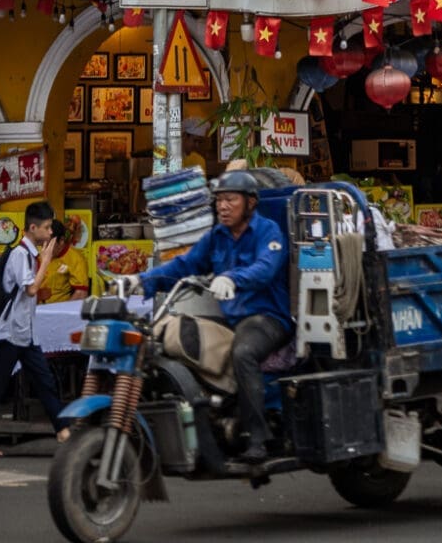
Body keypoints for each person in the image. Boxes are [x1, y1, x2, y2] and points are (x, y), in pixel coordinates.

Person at [130, 169, 292, 465]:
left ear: (250, 203)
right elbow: (184, 264)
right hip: (231, 320)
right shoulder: (217, 236)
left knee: (243, 353)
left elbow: (265, 268)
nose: (223, 206)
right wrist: (141, 280)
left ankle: (258, 437)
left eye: (231, 199)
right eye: (219, 200)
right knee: (174, 341)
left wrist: (232, 278)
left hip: (267, 318)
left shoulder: (268, 231)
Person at [0, 199, 70, 456]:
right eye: (47, 228)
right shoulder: (19, 255)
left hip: (26, 332)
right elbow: (31, 288)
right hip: (12, 333)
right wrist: (46, 260)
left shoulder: (28, 255)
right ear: (33, 228)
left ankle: (63, 431)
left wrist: (43, 258)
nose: (50, 233)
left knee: (44, 381)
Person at [41, 220, 92, 304]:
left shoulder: (76, 259)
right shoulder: (38, 254)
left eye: (49, 244)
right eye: (42, 243)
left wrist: (63, 312)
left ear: (61, 240)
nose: (44, 248)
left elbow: (81, 294)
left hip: (57, 311)